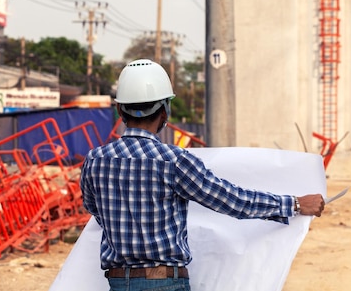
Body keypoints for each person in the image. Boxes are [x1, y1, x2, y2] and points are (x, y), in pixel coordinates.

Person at [80, 59, 325, 291]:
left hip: (118, 283)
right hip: (165, 283)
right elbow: (233, 201)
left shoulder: (94, 160)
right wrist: (294, 204)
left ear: (120, 109)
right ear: (164, 111)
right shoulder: (174, 161)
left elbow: (95, 210)